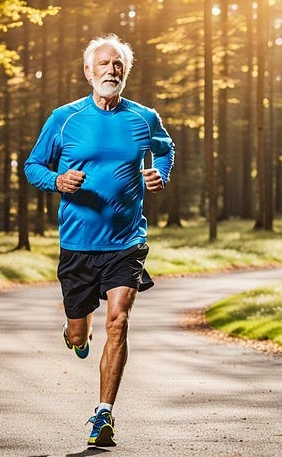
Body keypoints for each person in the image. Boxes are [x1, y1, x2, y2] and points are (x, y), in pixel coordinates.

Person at [24, 34, 175, 447]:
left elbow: (166, 149)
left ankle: (103, 415)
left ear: (125, 73)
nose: (112, 70)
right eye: (104, 64)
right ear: (88, 71)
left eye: (118, 65)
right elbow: (32, 165)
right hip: (77, 243)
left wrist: (161, 172)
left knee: (119, 319)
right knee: (79, 334)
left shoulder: (144, 118)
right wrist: (57, 180)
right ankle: (77, 332)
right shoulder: (64, 119)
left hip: (126, 240)